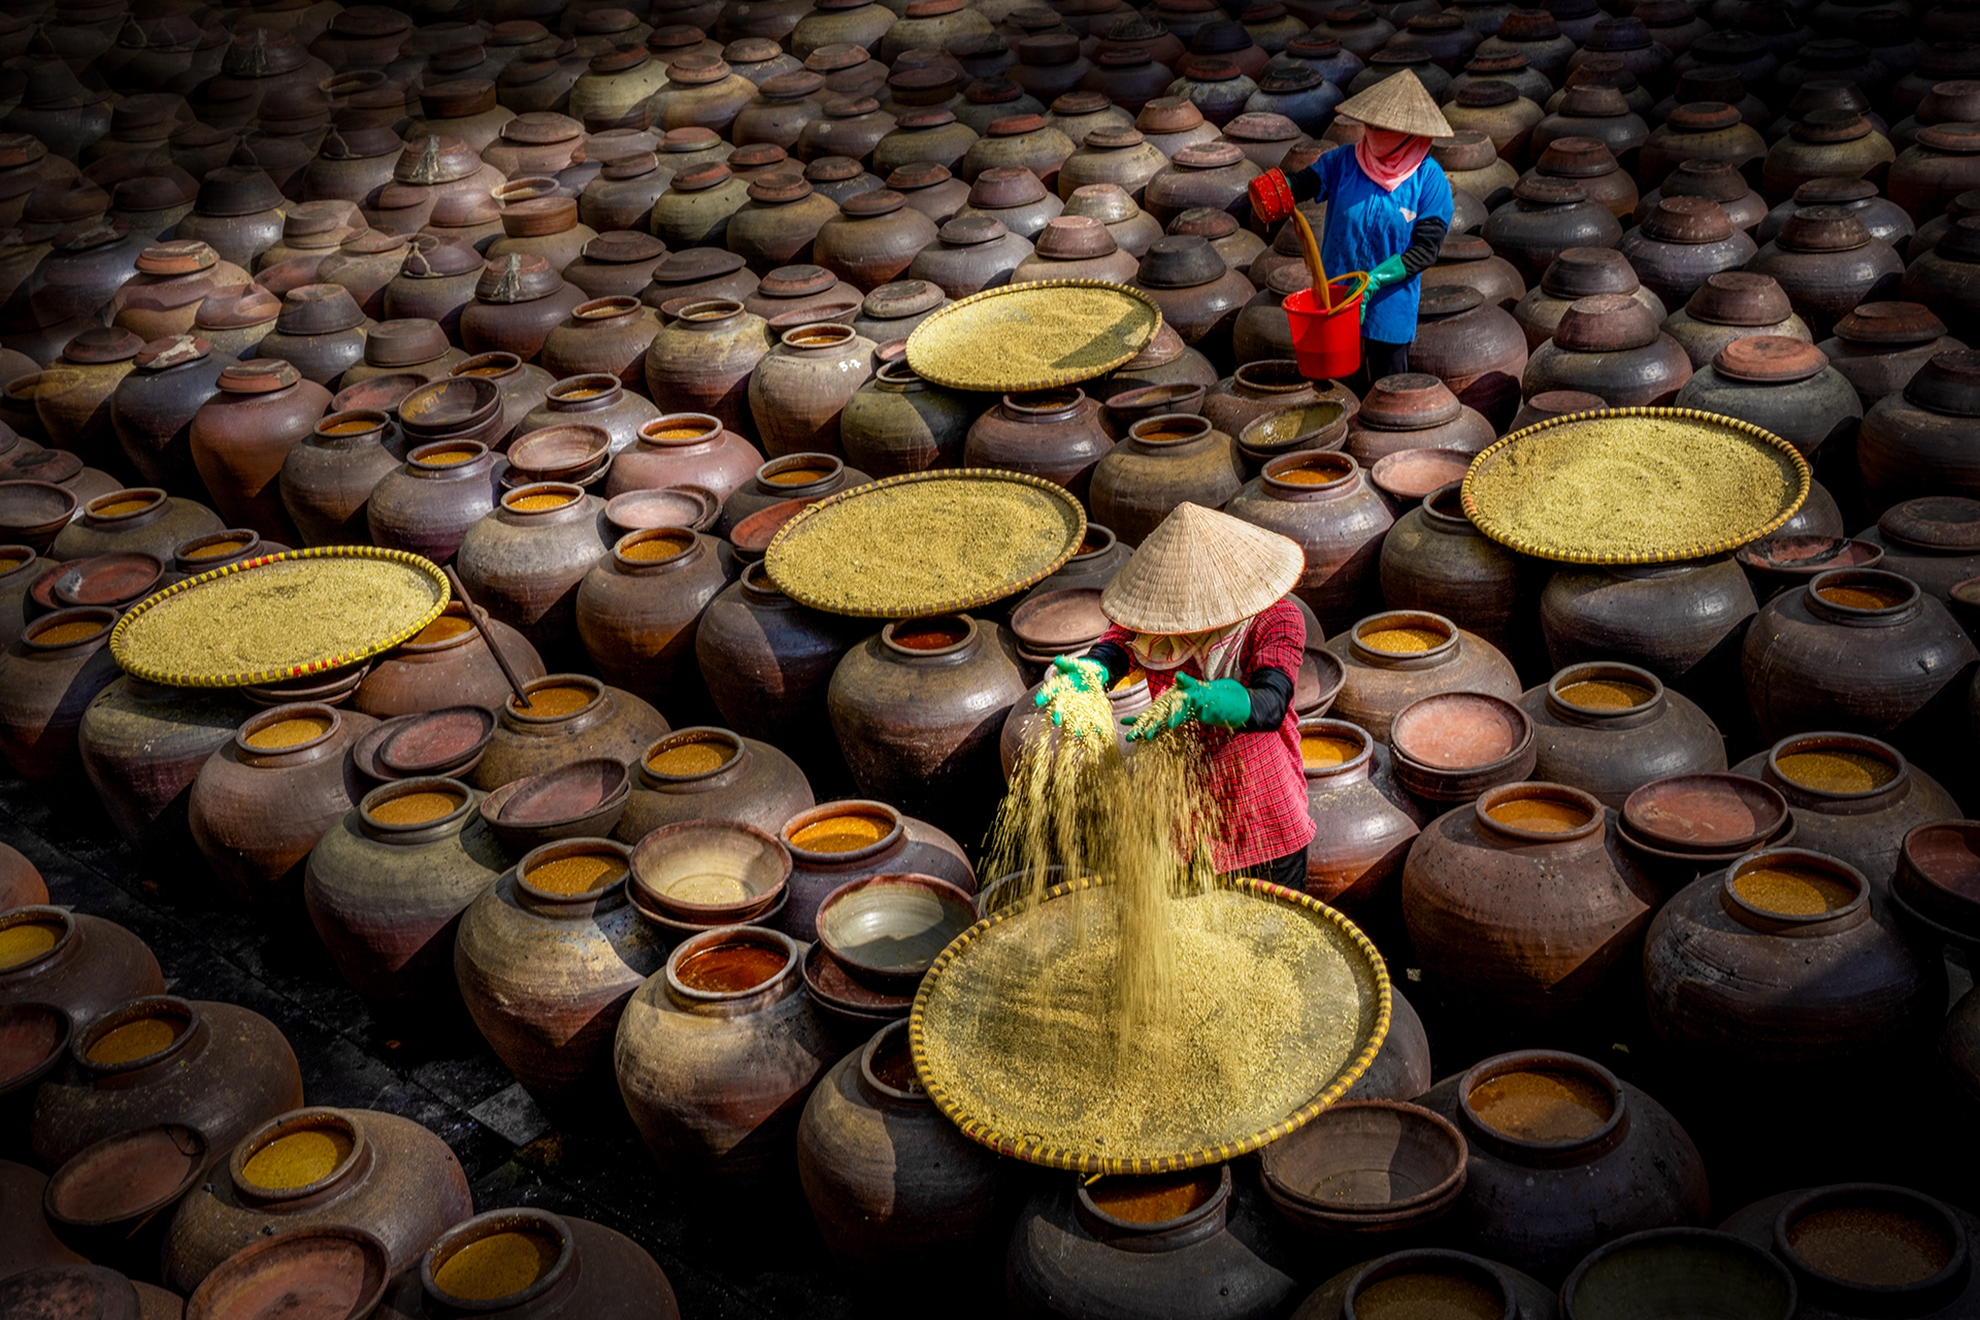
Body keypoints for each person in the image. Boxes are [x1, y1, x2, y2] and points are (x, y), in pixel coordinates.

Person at [1042, 503, 1316, 889]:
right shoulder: (1156, 624)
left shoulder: (1275, 618)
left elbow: (1272, 701)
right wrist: (1094, 671)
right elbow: (1114, 647)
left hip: (1263, 818)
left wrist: (1218, 700)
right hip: (1184, 822)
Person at [1246, 69, 1455, 388]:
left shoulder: (1429, 179)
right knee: (1336, 389)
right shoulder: (1344, 161)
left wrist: (1375, 280)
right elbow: (1307, 182)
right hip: (1337, 302)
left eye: (1384, 127)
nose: (1373, 133)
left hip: (1389, 307)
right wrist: (1280, 190)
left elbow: (1425, 250)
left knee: (1388, 393)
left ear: (1409, 133)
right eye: (1370, 124)